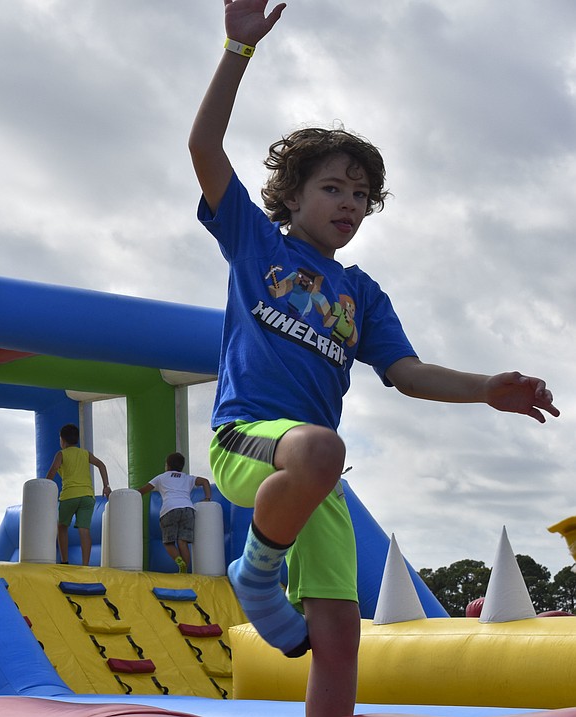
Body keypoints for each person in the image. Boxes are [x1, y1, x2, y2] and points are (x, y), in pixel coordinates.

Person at [187, 2, 560, 715]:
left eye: (361, 195)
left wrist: (489, 388)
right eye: (333, 188)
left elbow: (408, 373)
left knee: (338, 633)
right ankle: (256, 574)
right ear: (291, 195)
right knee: (323, 448)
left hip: (313, 474)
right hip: (248, 442)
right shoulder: (257, 243)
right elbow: (204, 148)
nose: (350, 203)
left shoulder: (360, 293)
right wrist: (237, 51)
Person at [44, 423, 111, 566]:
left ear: (62, 440)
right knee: (84, 530)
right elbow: (101, 464)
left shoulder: (61, 454)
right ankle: (85, 565)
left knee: (62, 527)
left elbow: (53, 470)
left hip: (69, 496)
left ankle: (64, 561)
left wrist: (44, 486)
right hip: (87, 496)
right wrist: (106, 485)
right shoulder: (85, 453)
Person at [139, 452, 212, 573]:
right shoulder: (187, 478)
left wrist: (130, 495)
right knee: (182, 542)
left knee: (168, 542)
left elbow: (142, 490)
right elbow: (205, 481)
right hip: (188, 509)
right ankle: (185, 573)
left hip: (169, 509)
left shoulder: (161, 477)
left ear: (167, 465)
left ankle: (179, 562)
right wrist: (207, 498)